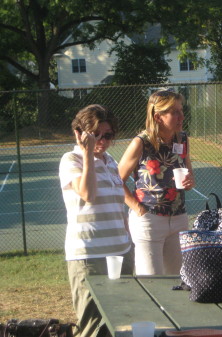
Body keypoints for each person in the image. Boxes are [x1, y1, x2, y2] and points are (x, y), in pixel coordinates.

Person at [59, 104, 133, 337]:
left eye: (108, 135)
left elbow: (118, 204)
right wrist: (88, 154)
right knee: (94, 326)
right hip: (89, 255)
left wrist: (128, 240)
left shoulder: (110, 160)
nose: (102, 140)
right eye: (96, 134)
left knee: (122, 319)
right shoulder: (71, 159)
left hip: (120, 252)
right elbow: (87, 194)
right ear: (79, 133)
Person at [118, 89, 195, 276]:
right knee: (152, 282)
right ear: (158, 117)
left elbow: (189, 172)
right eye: (175, 112)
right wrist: (137, 207)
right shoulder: (141, 143)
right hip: (149, 220)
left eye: (181, 110)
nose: (181, 116)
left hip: (178, 219)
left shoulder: (182, 139)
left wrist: (189, 181)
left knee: (177, 280)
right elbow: (116, 180)